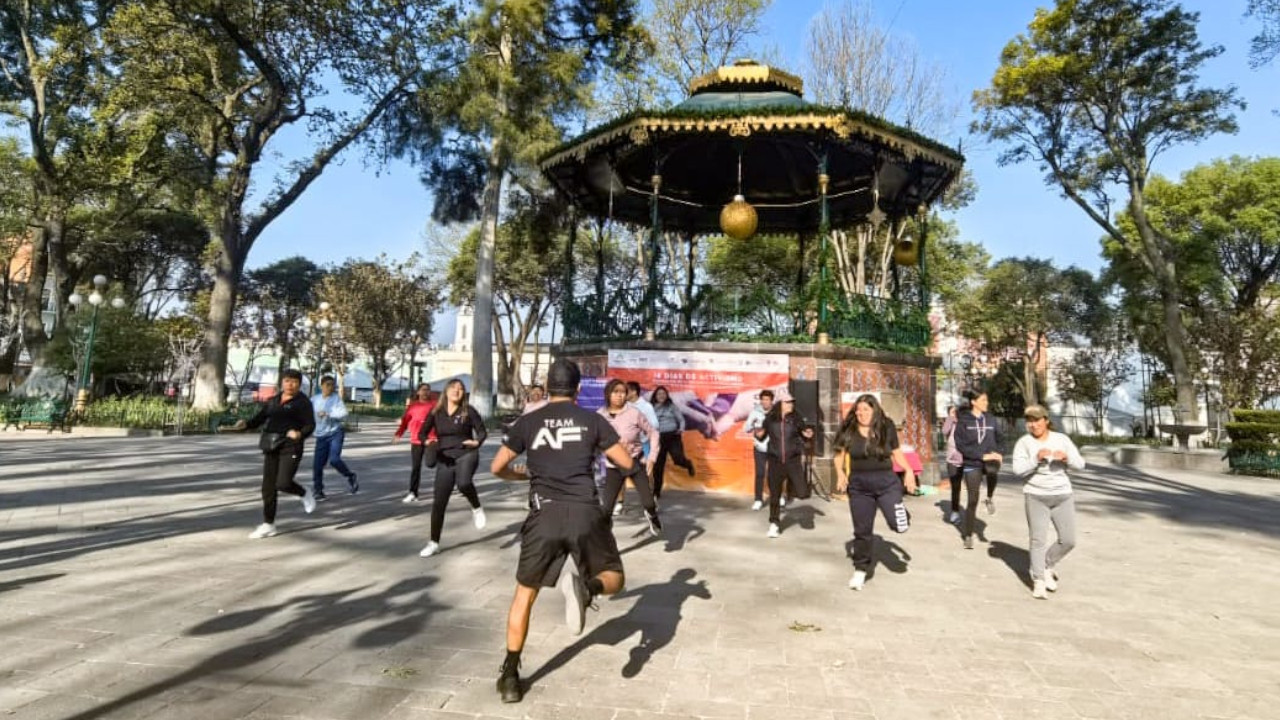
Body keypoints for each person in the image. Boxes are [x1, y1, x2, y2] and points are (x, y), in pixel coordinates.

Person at [490, 358, 635, 703]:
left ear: (547, 385)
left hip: (544, 515)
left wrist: (524, 474)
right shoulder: (592, 421)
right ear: (578, 389)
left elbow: (498, 466)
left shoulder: (529, 422)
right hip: (586, 511)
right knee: (614, 577)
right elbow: (626, 463)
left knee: (524, 594)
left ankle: (510, 676)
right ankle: (588, 589)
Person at [834, 394, 917, 590]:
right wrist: (840, 474)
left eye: (866, 410)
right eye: (858, 410)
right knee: (862, 531)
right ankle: (861, 570)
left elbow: (896, 452)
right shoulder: (849, 428)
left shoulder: (886, 426)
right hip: (859, 486)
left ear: (875, 411)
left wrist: (908, 471)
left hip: (886, 482)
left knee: (900, 526)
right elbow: (839, 454)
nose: (861, 414)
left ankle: (902, 514)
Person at [229, 368, 317, 538]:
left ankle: (304, 493)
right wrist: (246, 425)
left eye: (294, 382)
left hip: (290, 447)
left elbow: (310, 425)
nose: (290, 384)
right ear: (282, 382)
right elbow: (261, 418)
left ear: (299, 384)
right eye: (287, 381)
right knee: (268, 488)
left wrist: (300, 433)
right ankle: (268, 524)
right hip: (271, 446)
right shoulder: (274, 400)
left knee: (283, 483)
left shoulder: (303, 402)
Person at [1011, 404, 1084, 599]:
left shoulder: (1061, 439)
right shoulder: (1024, 443)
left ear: (1046, 421)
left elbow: (1080, 464)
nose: (1033, 425)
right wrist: (1036, 459)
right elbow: (1018, 470)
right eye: (1029, 421)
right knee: (1038, 540)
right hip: (1036, 496)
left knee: (1068, 540)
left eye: (1037, 420)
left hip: (1062, 495)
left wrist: (1066, 458)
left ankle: (1047, 563)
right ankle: (1039, 580)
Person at [416, 378, 488, 558]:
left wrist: (477, 441)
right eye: (454, 388)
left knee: (464, 483)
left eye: (461, 388)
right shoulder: (436, 412)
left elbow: (482, 432)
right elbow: (422, 433)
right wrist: (428, 441)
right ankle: (434, 543)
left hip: (466, 453)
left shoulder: (468, 411)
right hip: (445, 458)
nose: (457, 390)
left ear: (464, 394)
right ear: (446, 391)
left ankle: (476, 507)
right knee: (439, 503)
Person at [598, 379, 662, 536]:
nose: (620, 396)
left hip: (635, 463)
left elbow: (653, 432)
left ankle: (652, 516)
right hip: (613, 466)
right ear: (608, 394)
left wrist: (652, 457)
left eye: (623, 392)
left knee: (648, 502)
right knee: (606, 509)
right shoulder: (599, 415)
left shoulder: (634, 413)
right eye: (616, 392)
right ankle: (603, 537)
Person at [752, 388, 815, 538]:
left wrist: (808, 435)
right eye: (788, 402)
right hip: (775, 461)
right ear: (780, 403)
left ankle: (789, 490)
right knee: (774, 495)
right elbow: (761, 436)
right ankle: (774, 523)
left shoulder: (796, 418)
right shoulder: (771, 419)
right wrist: (757, 433)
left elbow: (805, 433)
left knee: (802, 492)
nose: (791, 404)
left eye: (792, 402)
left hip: (793, 461)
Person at [953, 389, 1002, 549]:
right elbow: (960, 445)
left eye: (987, 401)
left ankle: (989, 497)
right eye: (983, 401)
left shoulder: (991, 419)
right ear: (974, 402)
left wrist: (999, 452)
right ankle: (968, 535)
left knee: (993, 472)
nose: (986, 403)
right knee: (972, 500)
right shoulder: (964, 420)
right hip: (972, 462)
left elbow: (1000, 439)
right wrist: (980, 456)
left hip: (990, 460)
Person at [310, 375, 358, 500]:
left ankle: (350, 476)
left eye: (332, 385)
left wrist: (329, 414)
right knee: (317, 465)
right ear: (322, 386)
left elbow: (343, 413)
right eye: (328, 385)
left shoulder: (336, 399)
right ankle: (318, 490)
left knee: (334, 460)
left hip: (335, 433)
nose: (330, 388)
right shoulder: (314, 400)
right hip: (321, 436)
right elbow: (304, 412)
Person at [393, 383, 437, 503]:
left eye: (428, 390)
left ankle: (449, 484)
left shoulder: (435, 405)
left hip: (431, 440)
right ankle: (413, 492)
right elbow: (405, 422)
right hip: (416, 440)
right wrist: (398, 434)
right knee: (416, 467)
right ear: (418, 392)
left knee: (432, 463)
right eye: (423, 390)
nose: (426, 392)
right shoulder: (413, 406)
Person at [650, 386, 695, 500]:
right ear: (655, 396)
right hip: (658, 438)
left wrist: (681, 428)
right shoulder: (650, 408)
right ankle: (656, 492)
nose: (661, 396)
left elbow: (681, 420)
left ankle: (688, 464)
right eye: (659, 394)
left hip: (673, 436)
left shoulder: (671, 406)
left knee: (678, 459)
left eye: (663, 394)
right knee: (658, 467)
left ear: (667, 396)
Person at [742, 389, 775, 511]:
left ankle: (777, 497)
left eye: (768, 399)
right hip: (759, 448)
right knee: (760, 474)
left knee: (774, 474)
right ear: (760, 401)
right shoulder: (755, 413)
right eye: (763, 399)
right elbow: (746, 428)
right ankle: (758, 499)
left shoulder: (776, 413)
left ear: (772, 401)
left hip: (773, 448)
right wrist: (753, 424)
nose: (765, 402)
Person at [941, 404, 965, 524]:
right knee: (956, 487)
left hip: (966, 459)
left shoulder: (964, 422)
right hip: (952, 460)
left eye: (956, 411)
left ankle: (969, 511)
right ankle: (955, 512)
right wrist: (950, 418)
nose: (955, 413)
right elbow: (944, 431)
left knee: (972, 487)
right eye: (952, 411)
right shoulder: (950, 422)